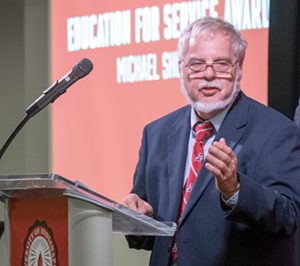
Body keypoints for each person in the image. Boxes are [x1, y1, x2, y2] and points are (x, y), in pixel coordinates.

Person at [122, 16, 300, 266]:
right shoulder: (156, 133)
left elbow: (288, 217)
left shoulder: (276, 130)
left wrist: (235, 190)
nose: (208, 74)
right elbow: (155, 225)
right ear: (181, 67)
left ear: (239, 67)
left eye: (221, 64)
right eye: (196, 64)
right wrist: (137, 217)